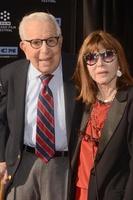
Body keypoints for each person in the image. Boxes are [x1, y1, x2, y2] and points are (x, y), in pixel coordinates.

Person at [0, 12, 77, 200]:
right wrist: (1, 158)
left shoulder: (80, 71)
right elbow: (1, 120)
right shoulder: (9, 75)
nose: (45, 51)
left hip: (64, 165)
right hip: (21, 164)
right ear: (23, 47)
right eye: (35, 42)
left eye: (51, 41)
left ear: (60, 41)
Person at [70, 30, 133, 200]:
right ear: (86, 66)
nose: (100, 64)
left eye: (108, 55)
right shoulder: (83, 103)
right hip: (79, 192)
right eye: (91, 58)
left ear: (119, 62)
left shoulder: (130, 101)